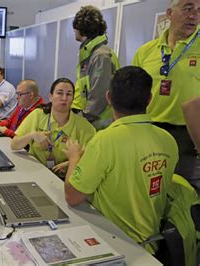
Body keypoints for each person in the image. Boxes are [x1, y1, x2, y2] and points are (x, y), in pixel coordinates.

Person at [64, 66, 179, 254]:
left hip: (113, 244)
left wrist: (74, 158)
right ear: (149, 99)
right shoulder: (168, 140)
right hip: (151, 244)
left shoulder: (105, 140)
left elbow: (73, 197)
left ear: (108, 97)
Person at [132, 0, 199, 179]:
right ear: (169, 13)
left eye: (199, 10)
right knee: (148, 186)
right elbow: (133, 95)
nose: (194, 15)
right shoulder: (145, 52)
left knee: (185, 192)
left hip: (188, 139)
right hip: (149, 131)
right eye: (188, 8)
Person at [11, 78, 95, 176]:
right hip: (35, 173)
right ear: (50, 97)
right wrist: (32, 135)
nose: (64, 98)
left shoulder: (83, 125)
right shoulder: (38, 115)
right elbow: (14, 145)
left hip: (67, 177)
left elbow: (93, 155)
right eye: (59, 93)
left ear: (72, 99)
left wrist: (71, 163)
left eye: (68, 94)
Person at [72, 6, 120, 130]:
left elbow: (99, 95)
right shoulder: (90, 53)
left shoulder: (100, 56)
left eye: (75, 27)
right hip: (95, 121)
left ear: (81, 27)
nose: (74, 31)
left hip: (101, 123)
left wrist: (83, 117)